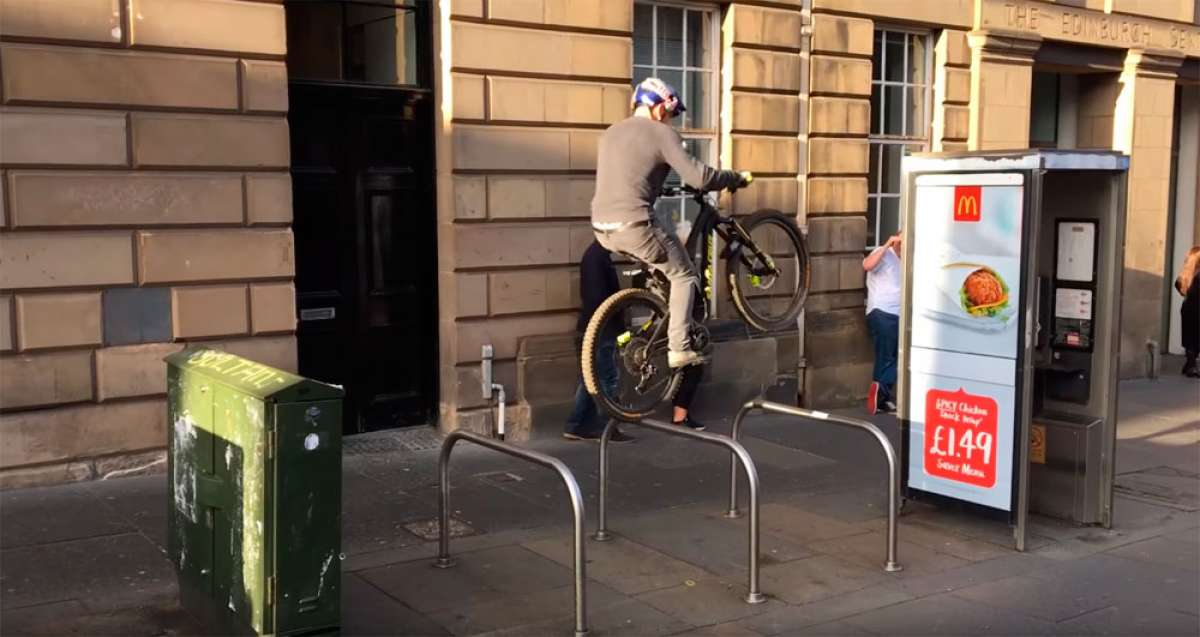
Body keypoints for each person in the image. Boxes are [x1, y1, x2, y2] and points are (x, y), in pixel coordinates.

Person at [590, 77, 748, 370]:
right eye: (672, 113)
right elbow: (700, 178)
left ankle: (660, 307)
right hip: (635, 226)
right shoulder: (661, 134)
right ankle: (679, 348)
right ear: (661, 107)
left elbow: (629, 176)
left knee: (663, 262)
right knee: (685, 276)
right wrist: (733, 178)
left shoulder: (611, 133)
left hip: (602, 228)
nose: (672, 120)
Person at [564, 241, 635, 442]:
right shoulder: (597, 258)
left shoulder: (597, 256)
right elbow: (598, 299)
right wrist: (616, 323)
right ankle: (607, 428)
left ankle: (576, 425)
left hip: (595, 327)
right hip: (600, 329)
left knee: (590, 379)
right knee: (607, 378)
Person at [863, 233, 902, 414]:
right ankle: (880, 395)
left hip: (898, 314)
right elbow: (867, 265)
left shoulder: (907, 259)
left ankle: (881, 396)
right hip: (883, 312)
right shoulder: (884, 253)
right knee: (887, 356)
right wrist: (887, 244)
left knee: (891, 356)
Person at [1175, 246, 1200, 378]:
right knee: (1195, 338)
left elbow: (1178, 286)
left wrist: (1187, 294)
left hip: (1188, 307)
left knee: (1190, 336)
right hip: (1196, 308)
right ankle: (1191, 366)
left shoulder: (1188, 272)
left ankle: (1189, 365)